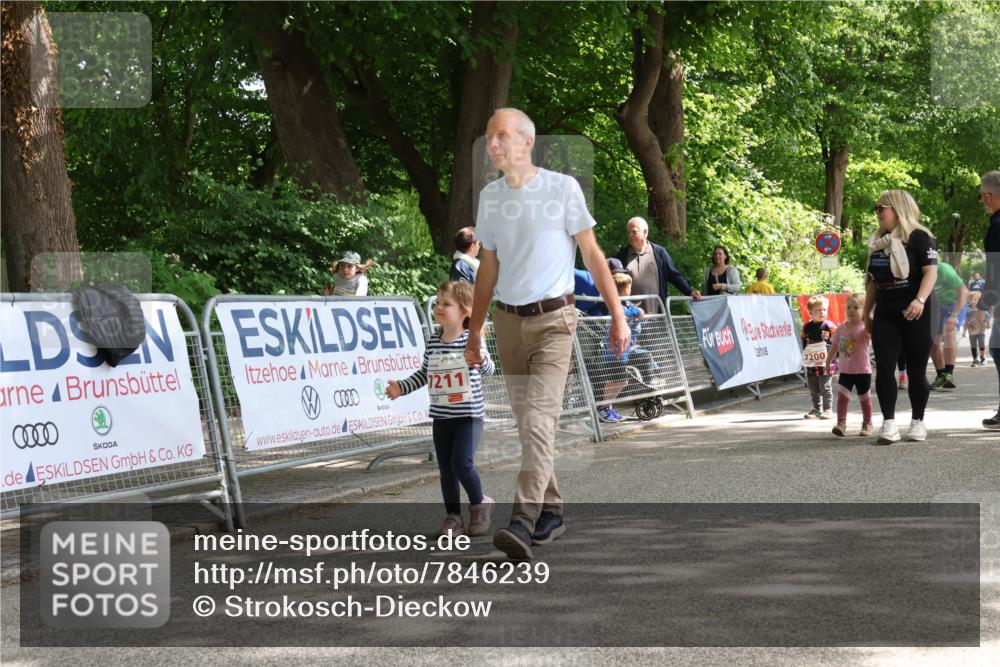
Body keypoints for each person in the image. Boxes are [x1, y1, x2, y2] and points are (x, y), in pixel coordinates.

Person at [466, 107, 629, 560]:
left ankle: (522, 521)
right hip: (507, 322)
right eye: (488, 136)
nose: (492, 144)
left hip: (555, 322)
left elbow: (592, 254)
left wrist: (617, 315)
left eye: (501, 135)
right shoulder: (491, 197)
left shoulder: (561, 188)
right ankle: (552, 510)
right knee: (530, 427)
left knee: (539, 423)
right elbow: (488, 267)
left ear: (526, 141)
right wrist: (475, 329)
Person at [387, 281, 495, 536]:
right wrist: (401, 387)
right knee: (446, 469)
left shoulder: (471, 339)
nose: (439, 307)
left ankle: (480, 504)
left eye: (447, 304)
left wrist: (479, 359)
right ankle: (453, 517)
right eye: (438, 302)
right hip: (442, 416)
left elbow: (489, 369)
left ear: (465, 310)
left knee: (462, 464)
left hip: (468, 416)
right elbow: (424, 374)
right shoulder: (434, 341)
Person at [863, 189, 938, 444]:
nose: (877, 213)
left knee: (916, 369)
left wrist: (920, 300)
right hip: (886, 312)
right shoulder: (877, 241)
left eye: (880, 208)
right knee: (884, 367)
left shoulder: (920, 237)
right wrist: (867, 312)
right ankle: (889, 423)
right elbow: (872, 281)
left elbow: (930, 272)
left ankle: (918, 422)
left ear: (897, 209)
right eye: (876, 208)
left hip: (917, 311)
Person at [597, 272, 660, 423]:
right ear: (623, 289)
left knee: (618, 380)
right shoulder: (616, 304)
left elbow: (635, 314)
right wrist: (638, 312)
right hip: (614, 352)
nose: (630, 290)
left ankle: (608, 407)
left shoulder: (627, 303)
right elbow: (623, 312)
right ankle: (602, 408)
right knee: (618, 381)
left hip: (623, 350)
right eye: (629, 287)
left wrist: (639, 314)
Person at [613, 217, 700, 313]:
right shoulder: (622, 255)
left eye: (634, 232)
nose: (630, 235)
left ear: (645, 232)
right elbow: (614, 280)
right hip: (631, 315)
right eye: (628, 232)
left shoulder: (659, 253)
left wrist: (689, 291)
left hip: (656, 313)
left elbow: (674, 276)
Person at [825, 293, 874, 437]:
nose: (851, 310)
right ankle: (841, 424)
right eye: (848, 307)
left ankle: (867, 423)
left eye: (856, 307)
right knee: (842, 397)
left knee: (865, 399)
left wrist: (870, 322)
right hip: (846, 371)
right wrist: (827, 362)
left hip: (863, 371)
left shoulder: (865, 328)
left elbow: (873, 336)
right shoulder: (841, 329)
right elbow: (834, 347)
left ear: (864, 310)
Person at [976, 171, 1000, 429]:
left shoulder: (996, 227)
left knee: (997, 348)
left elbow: (995, 269)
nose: (982, 200)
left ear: (989, 196)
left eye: (981, 195)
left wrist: (983, 304)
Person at [928, 261, 969, 391]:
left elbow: (963, 291)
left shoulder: (943, 269)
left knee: (949, 331)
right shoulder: (918, 271)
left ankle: (949, 374)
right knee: (933, 341)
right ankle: (941, 375)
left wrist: (954, 315)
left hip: (954, 304)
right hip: (936, 306)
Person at [801, 295, 836, 419]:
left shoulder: (829, 326)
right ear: (810, 312)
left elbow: (837, 341)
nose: (822, 312)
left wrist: (835, 356)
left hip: (826, 363)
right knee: (813, 387)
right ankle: (817, 410)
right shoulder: (806, 327)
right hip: (811, 364)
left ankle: (828, 409)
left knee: (825, 387)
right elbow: (804, 343)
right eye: (819, 310)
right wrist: (805, 356)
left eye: (824, 309)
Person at [963, 291, 990, 367]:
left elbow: (987, 319)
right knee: (973, 346)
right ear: (969, 300)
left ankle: (983, 357)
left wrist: (987, 325)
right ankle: (975, 360)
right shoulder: (968, 311)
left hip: (981, 331)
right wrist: (964, 331)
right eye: (971, 299)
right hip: (971, 332)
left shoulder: (982, 310)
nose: (973, 301)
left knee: (981, 343)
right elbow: (966, 322)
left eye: (975, 299)